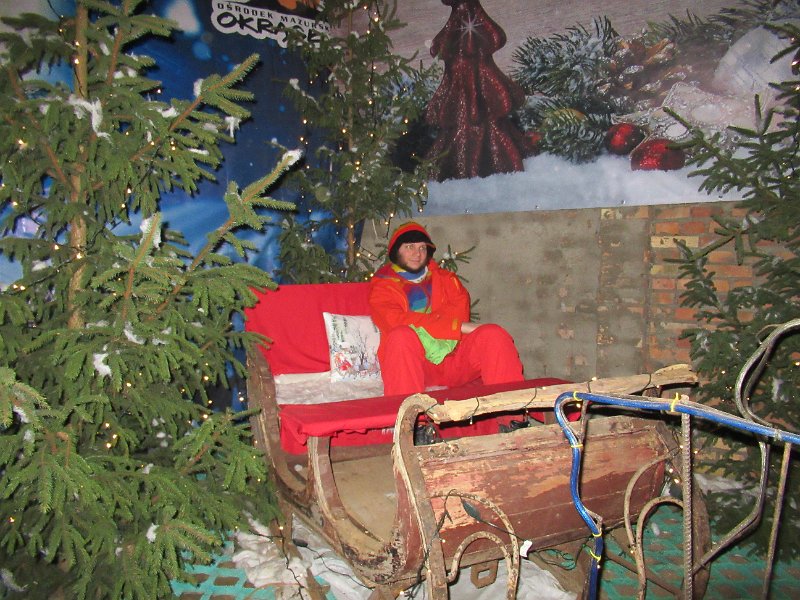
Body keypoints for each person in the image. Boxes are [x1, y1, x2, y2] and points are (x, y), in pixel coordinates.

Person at [368, 221, 524, 396]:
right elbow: (396, 321)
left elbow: (457, 314)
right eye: (410, 247)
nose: (417, 254)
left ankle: (512, 410)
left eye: (422, 248)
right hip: (414, 365)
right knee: (401, 335)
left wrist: (452, 327)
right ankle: (405, 411)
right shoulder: (383, 287)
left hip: (453, 360)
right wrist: (456, 327)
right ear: (395, 251)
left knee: (493, 333)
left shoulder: (447, 280)